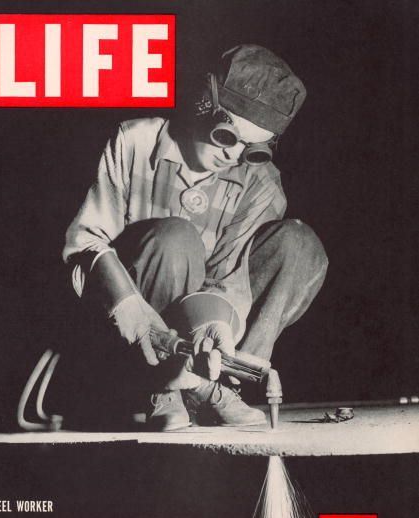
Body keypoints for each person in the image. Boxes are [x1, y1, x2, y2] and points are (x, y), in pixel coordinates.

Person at [63, 44, 328, 431]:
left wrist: (213, 328)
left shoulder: (262, 184)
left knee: (299, 244)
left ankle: (214, 381)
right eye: (228, 136)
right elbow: (86, 243)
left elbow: (228, 278)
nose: (235, 156)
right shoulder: (135, 141)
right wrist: (134, 317)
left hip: (201, 332)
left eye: (252, 149)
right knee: (177, 237)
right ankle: (159, 385)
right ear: (204, 104)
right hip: (120, 327)